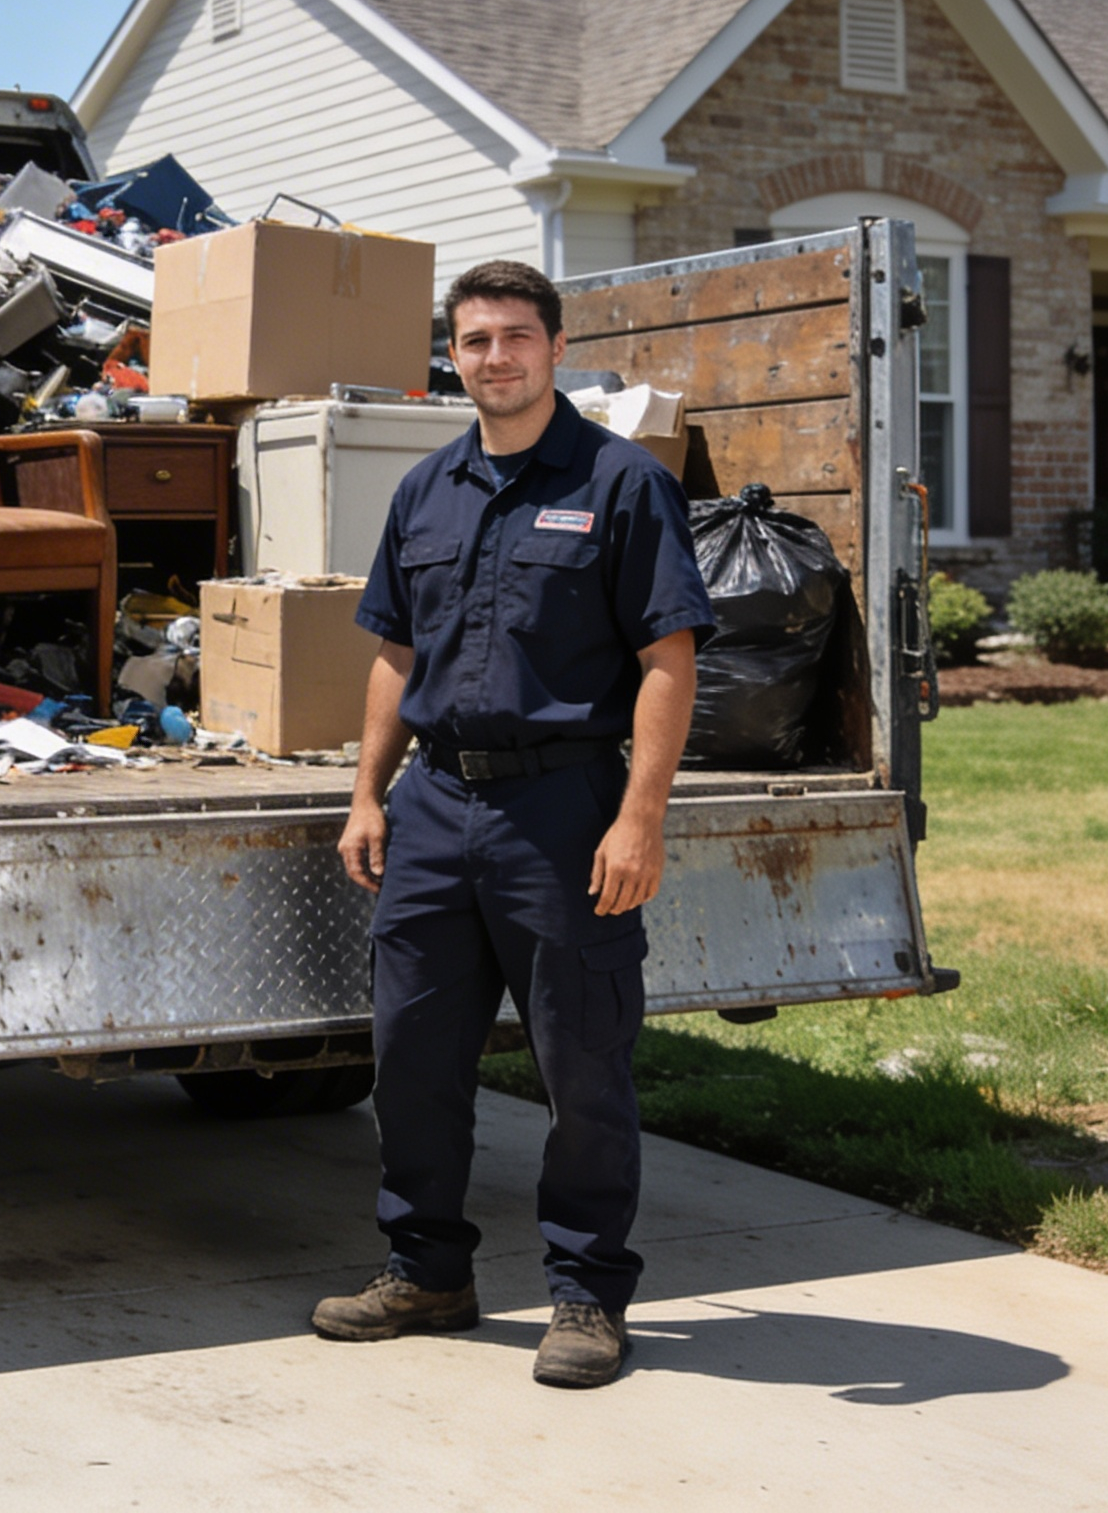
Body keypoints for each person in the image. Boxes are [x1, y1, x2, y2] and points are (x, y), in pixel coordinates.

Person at [313, 258, 715, 1389]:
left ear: (554, 346)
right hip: (435, 808)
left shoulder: (622, 482)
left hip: (562, 805)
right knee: (413, 1059)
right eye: (476, 339)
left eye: (517, 336)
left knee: (582, 1063)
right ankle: (427, 1271)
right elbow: (398, 654)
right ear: (453, 353)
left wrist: (640, 819)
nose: (497, 356)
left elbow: (667, 663)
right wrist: (366, 793)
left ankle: (587, 1294)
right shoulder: (425, 490)